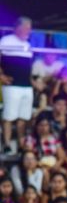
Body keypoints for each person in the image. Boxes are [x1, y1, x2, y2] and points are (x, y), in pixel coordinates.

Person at [0, 17, 34, 155]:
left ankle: (21, 144)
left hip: (26, 85)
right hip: (11, 85)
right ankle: (7, 144)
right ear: (18, 27)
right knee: (9, 115)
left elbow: (29, 67)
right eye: (26, 27)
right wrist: (1, 76)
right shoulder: (6, 41)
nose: (28, 30)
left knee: (23, 117)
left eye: (29, 28)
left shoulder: (28, 45)